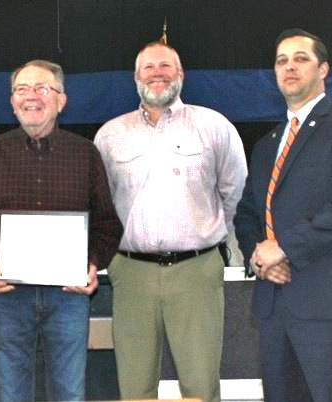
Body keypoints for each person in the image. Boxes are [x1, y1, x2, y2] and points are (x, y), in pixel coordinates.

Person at [234, 28, 332, 401]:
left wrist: (283, 248)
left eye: (301, 58)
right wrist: (261, 257)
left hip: (331, 302)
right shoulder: (267, 144)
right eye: (282, 60)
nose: (290, 67)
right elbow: (247, 213)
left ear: (323, 70)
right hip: (274, 302)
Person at [94, 41, 247, 402]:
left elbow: (235, 191)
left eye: (165, 66)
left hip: (196, 271)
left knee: (201, 384)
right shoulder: (109, 135)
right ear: (136, 77)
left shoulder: (213, 126)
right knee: (134, 386)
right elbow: (99, 205)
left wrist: (212, 240)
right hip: (131, 274)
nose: (157, 73)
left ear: (181, 75)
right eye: (149, 67)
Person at [0, 59, 123, 401]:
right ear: (11, 101)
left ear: (60, 100)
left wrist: (92, 264)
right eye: (21, 89)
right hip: (8, 296)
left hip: (68, 295)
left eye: (41, 88)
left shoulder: (85, 154)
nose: (30, 97)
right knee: (11, 393)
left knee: (69, 392)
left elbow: (108, 224)